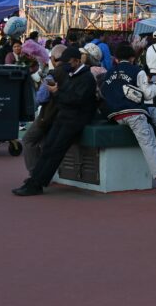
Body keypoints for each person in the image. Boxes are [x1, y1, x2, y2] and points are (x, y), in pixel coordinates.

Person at [13, 46, 98, 196]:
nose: (65, 65)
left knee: (55, 151)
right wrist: (58, 93)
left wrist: (57, 92)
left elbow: (75, 100)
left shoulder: (86, 78)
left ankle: (37, 183)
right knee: (48, 149)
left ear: (76, 61)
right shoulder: (74, 75)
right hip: (64, 117)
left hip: (73, 120)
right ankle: (35, 180)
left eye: (68, 62)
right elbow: (69, 98)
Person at [99, 42, 156, 195]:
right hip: (134, 113)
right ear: (132, 58)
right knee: (149, 144)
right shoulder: (137, 71)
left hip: (115, 114)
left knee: (153, 109)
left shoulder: (109, 73)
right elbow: (148, 94)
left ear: (116, 58)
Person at [22, 44, 69, 172]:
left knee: (28, 140)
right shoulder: (74, 73)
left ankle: (35, 172)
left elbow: (41, 98)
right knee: (44, 142)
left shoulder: (52, 76)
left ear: (53, 59)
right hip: (65, 116)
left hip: (49, 115)